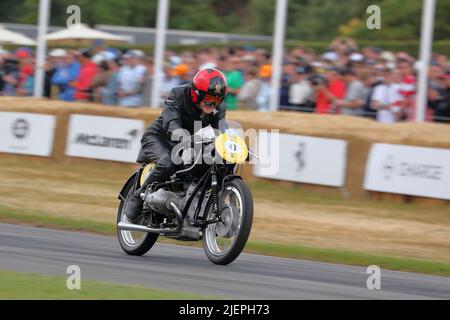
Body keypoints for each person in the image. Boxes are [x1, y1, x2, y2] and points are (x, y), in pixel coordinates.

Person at [123, 68, 228, 222]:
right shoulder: (178, 94)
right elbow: (171, 123)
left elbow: (222, 131)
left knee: (210, 163)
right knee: (168, 162)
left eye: (217, 100)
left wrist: (231, 145)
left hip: (186, 143)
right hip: (159, 137)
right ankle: (138, 196)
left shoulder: (217, 108)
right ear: (196, 93)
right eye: (209, 98)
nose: (213, 103)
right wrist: (184, 137)